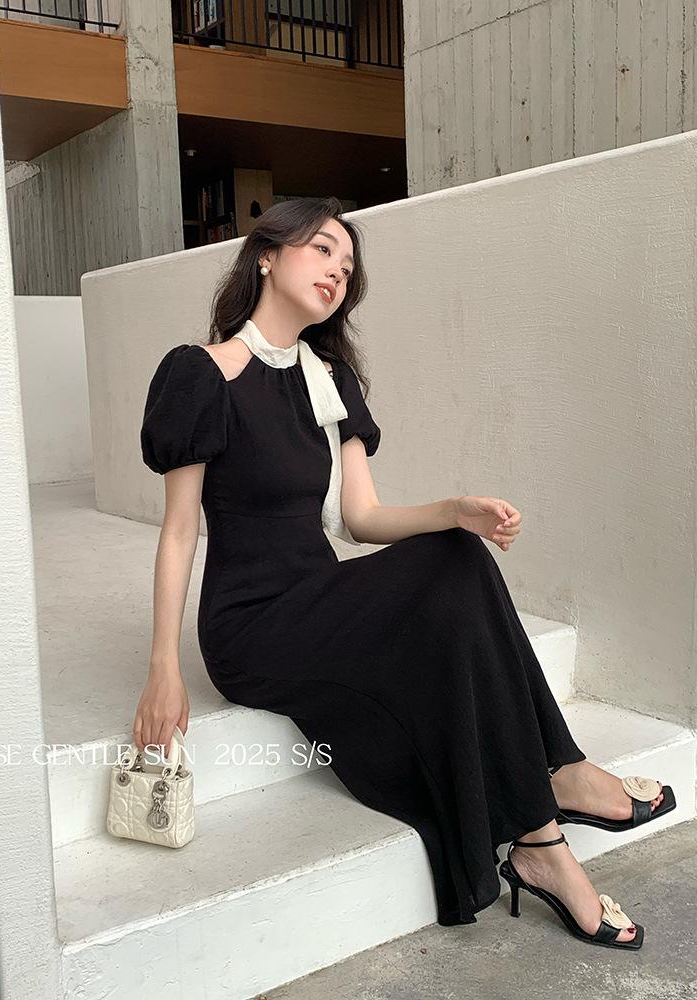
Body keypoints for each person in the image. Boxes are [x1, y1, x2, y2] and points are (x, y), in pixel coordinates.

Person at [135, 195, 674, 950]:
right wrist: (163, 669)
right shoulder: (200, 374)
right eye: (322, 249)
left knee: (457, 554)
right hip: (251, 625)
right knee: (447, 577)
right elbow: (179, 532)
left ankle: (551, 811)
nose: (337, 271)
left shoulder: (329, 380)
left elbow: (362, 518)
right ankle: (550, 805)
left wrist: (454, 510)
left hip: (317, 596)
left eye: (348, 265)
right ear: (267, 255)